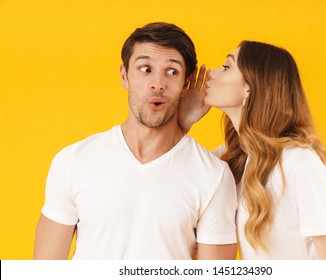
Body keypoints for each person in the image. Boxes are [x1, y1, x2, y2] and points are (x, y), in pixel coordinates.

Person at [33, 22, 238, 260]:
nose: (158, 84)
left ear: (185, 84)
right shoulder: (73, 161)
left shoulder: (213, 176)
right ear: (124, 76)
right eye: (145, 69)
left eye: (172, 72)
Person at [179, 41, 326, 259]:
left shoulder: (299, 164)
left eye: (227, 67)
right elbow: (175, 178)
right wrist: (183, 124)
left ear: (249, 86)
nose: (211, 73)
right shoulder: (238, 157)